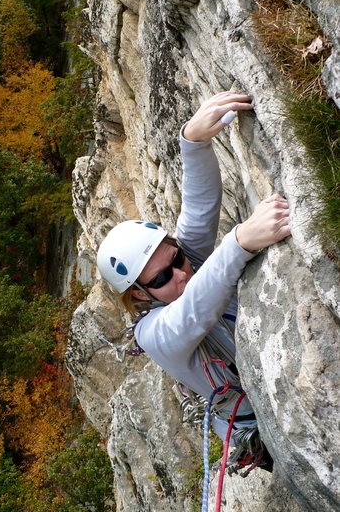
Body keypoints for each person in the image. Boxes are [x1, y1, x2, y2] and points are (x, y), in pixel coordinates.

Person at [96, 92, 291, 466]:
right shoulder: (154, 334)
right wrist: (239, 242)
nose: (183, 274)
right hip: (258, 430)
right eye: (162, 278)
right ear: (139, 295)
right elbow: (194, 311)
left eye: (178, 258)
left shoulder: (190, 261)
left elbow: (199, 208)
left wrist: (193, 141)